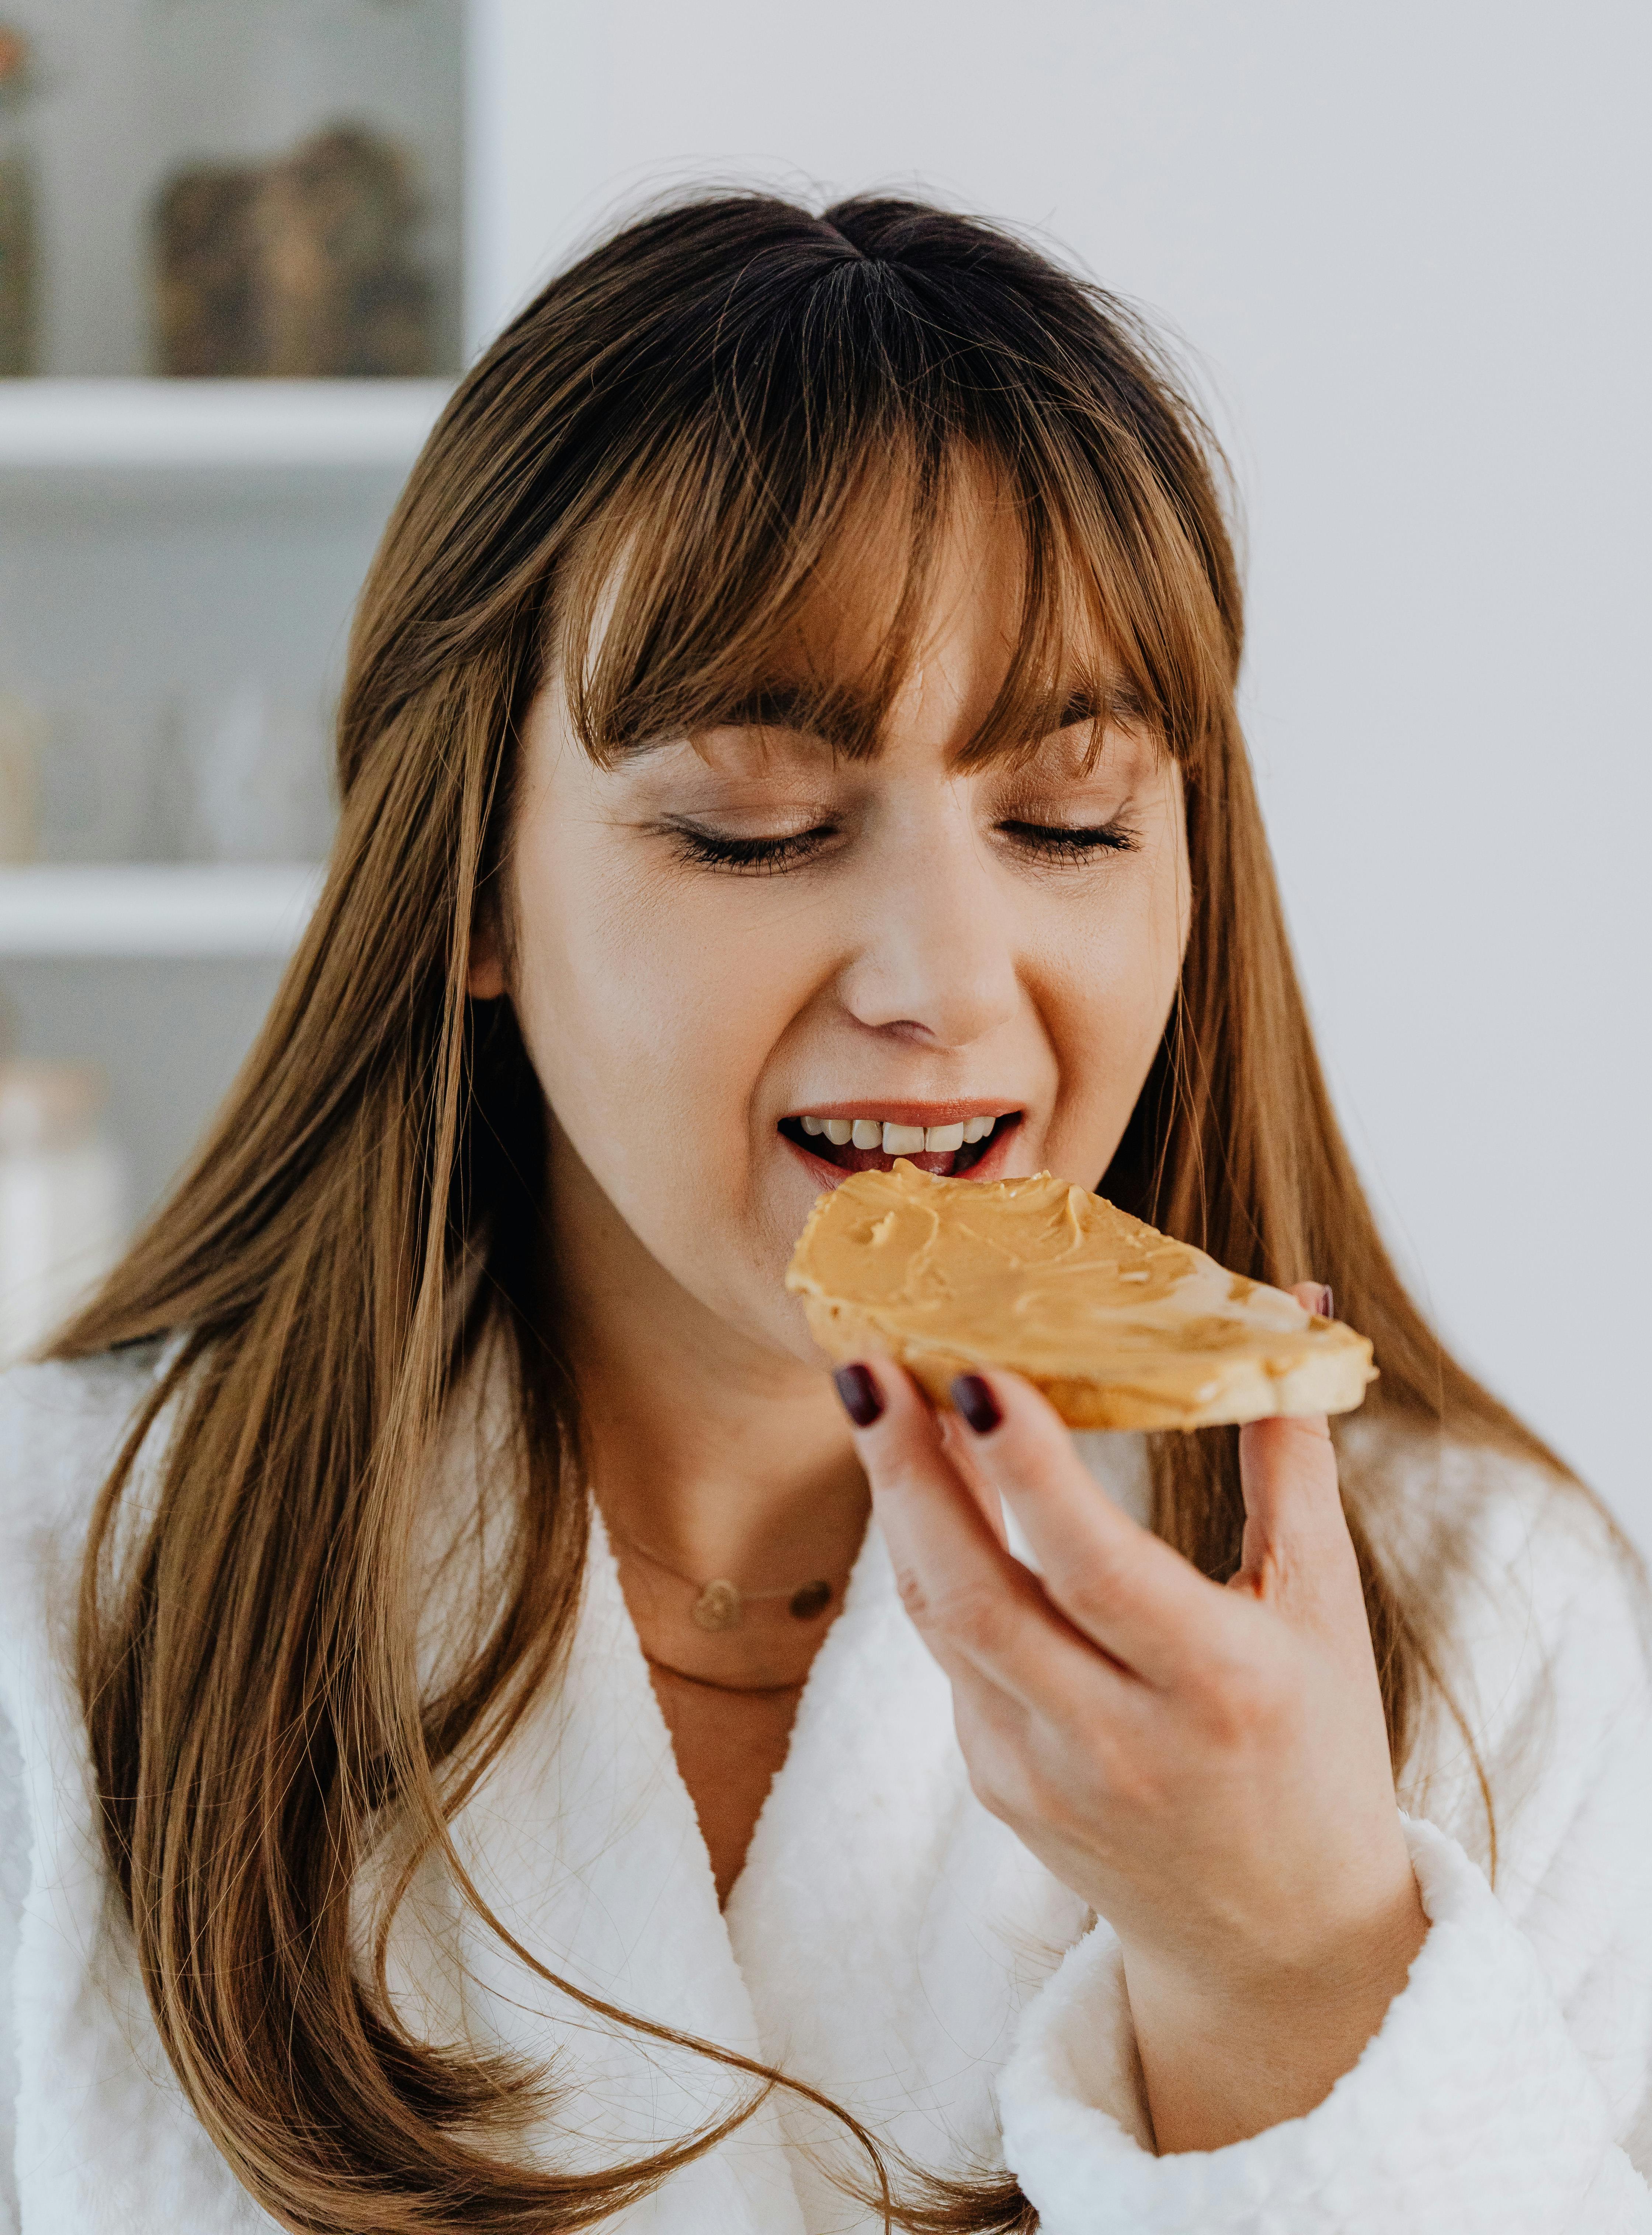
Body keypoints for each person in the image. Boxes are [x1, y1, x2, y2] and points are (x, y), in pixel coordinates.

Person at [2, 194, 1648, 2235]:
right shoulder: (50, 1605)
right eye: (755, 827)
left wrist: (1291, 1968)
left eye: (1068, 822)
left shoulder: (1496, 1635)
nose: (947, 982)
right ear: (469, 894)